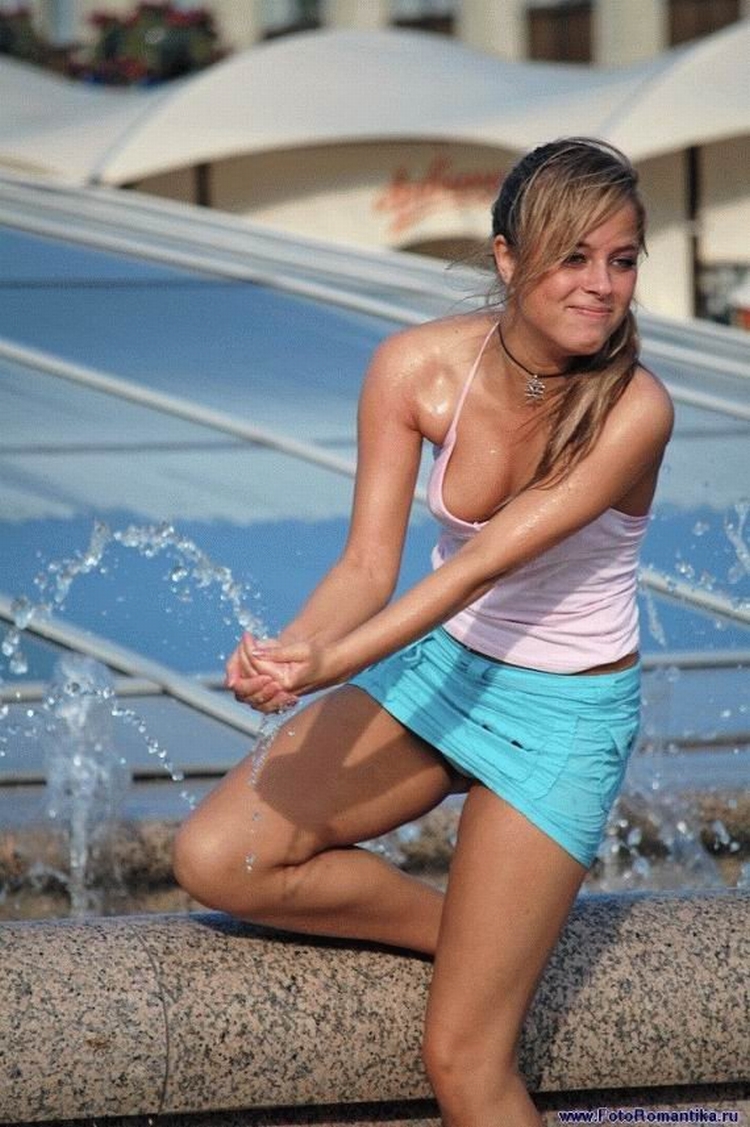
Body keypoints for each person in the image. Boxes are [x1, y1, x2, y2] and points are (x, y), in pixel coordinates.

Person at [173, 137, 674, 1126]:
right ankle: (473, 940)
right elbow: (367, 565)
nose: (601, 284)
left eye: (621, 260)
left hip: (562, 718)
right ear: (506, 258)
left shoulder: (637, 408)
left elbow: (482, 565)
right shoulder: (414, 367)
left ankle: (490, 966)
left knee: (463, 1061)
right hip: (440, 671)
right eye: (574, 257)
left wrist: (332, 664)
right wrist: (294, 649)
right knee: (219, 857)